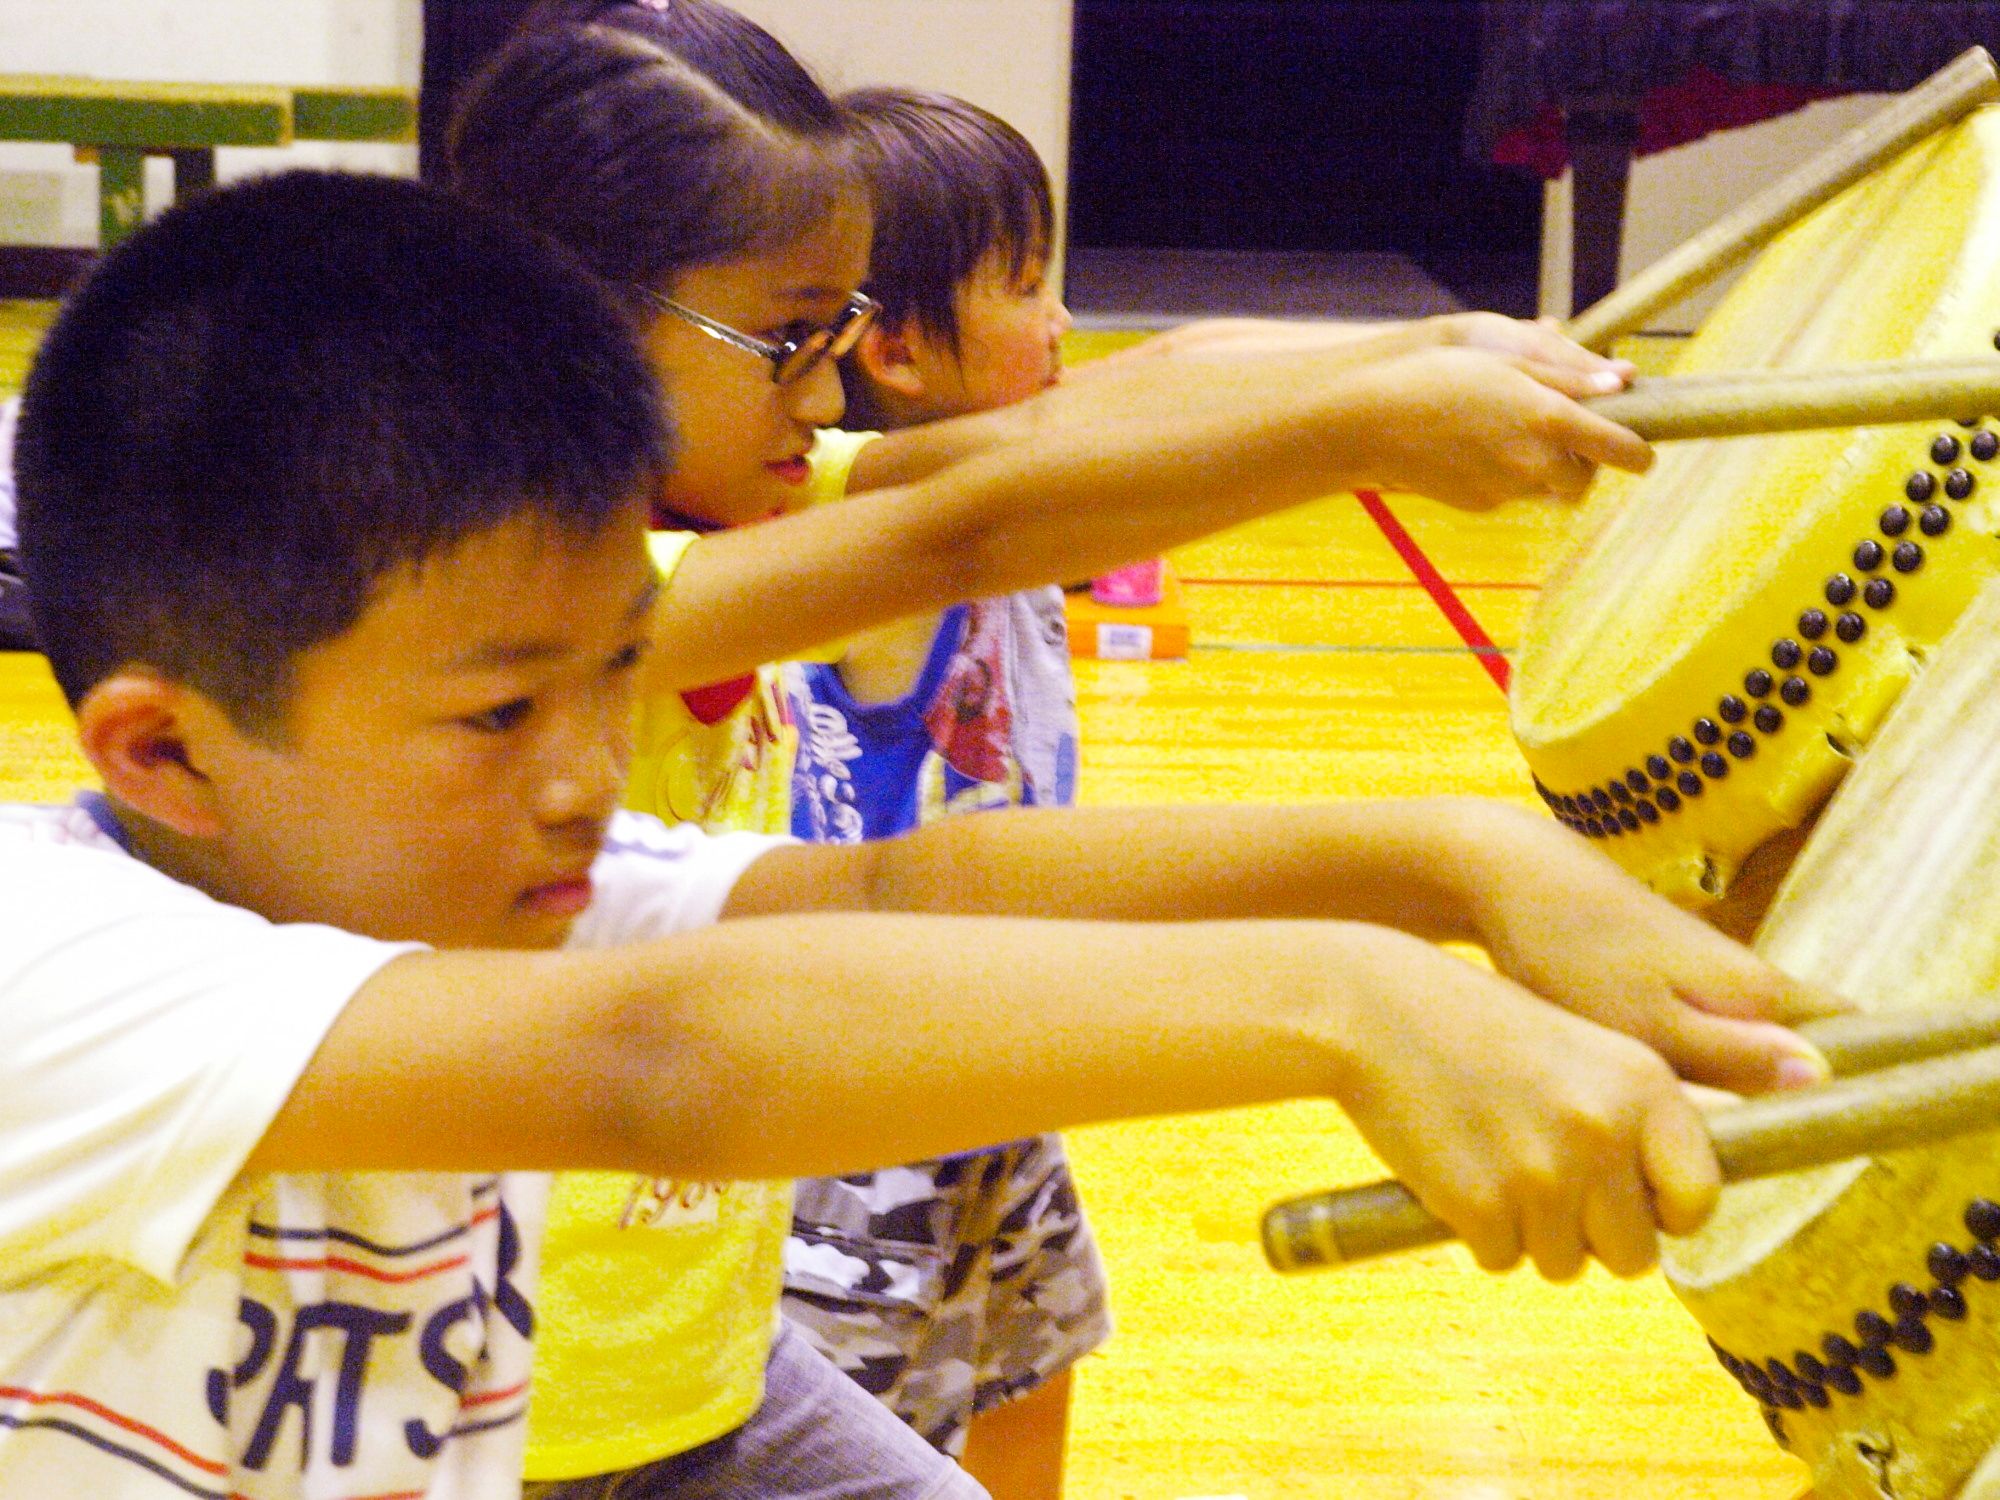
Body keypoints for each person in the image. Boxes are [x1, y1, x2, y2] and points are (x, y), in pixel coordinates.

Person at [1, 168, 1839, 1500]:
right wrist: (1350, 1002)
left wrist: (1454, 866)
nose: (586, 774)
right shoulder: (59, 978)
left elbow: (895, 882)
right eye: (502, 712)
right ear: (163, 753)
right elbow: (668, 1060)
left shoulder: (483, 882)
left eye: (617, 678)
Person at [439, 10, 1651, 1497]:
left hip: (708, 1376)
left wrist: (1417, 350)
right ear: (565, 321)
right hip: (518, 1432)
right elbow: (973, 529)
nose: (827, 398)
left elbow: (1049, 437)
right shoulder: (544, 609)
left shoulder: (728, 501)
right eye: (787, 341)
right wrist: (1362, 438)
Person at [781, 85, 1102, 1500]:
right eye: (1027, 285)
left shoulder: (1024, 528)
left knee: (1030, 1386)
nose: (1065, 323)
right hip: (856, 1150)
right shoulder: (879, 542)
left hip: (1002, 1089)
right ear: (897, 348)